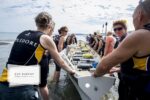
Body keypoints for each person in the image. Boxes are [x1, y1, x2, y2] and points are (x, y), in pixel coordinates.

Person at [0, 12, 74, 100]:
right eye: (52, 31)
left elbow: (20, 56)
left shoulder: (23, 33)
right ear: (50, 27)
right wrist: (71, 71)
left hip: (3, 84)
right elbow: (60, 61)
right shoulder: (45, 38)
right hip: (22, 90)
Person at [94, 0, 150, 99]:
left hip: (136, 93)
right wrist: (119, 69)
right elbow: (143, 66)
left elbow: (104, 65)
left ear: (139, 15)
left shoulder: (140, 35)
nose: (117, 31)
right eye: (115, 29)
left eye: (133, 16)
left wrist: (95, 74)